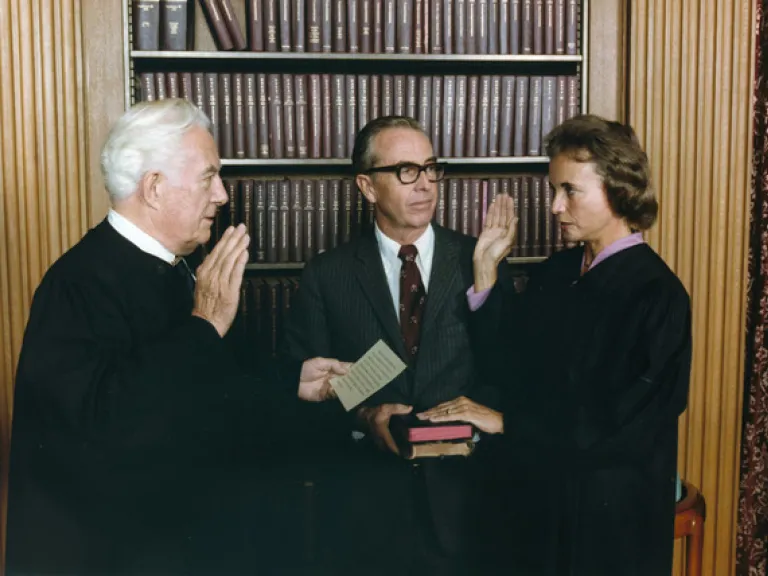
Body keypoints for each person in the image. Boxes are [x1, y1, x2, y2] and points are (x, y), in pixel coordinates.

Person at [5, 98, 348, 576]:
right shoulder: (77, 285)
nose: (223, 195)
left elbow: (210, 392)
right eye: (209, 177)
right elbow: (109, 429)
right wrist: (203, 325)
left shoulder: (175, 269)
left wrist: (292, 379)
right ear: (154, 188)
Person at [419, 114, 692, 575]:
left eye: (570, 191)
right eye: (554, 190)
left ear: (619, 189)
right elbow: (508, 370)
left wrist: (507, 423)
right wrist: (485, 271)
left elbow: (624, 426)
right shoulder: (555, 273)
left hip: (607, 522)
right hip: (541, 503)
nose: (554, 208)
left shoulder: (658, 295)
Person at [281, 116, 503, 575]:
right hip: (365, 510)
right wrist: (365, 416)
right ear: (367, 186)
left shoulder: (478, 259)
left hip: (467, 505)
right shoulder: (327, 275)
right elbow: (300, 398)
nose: (424, 185)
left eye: (430, 168)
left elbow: (509, 373)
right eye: (405, 171)